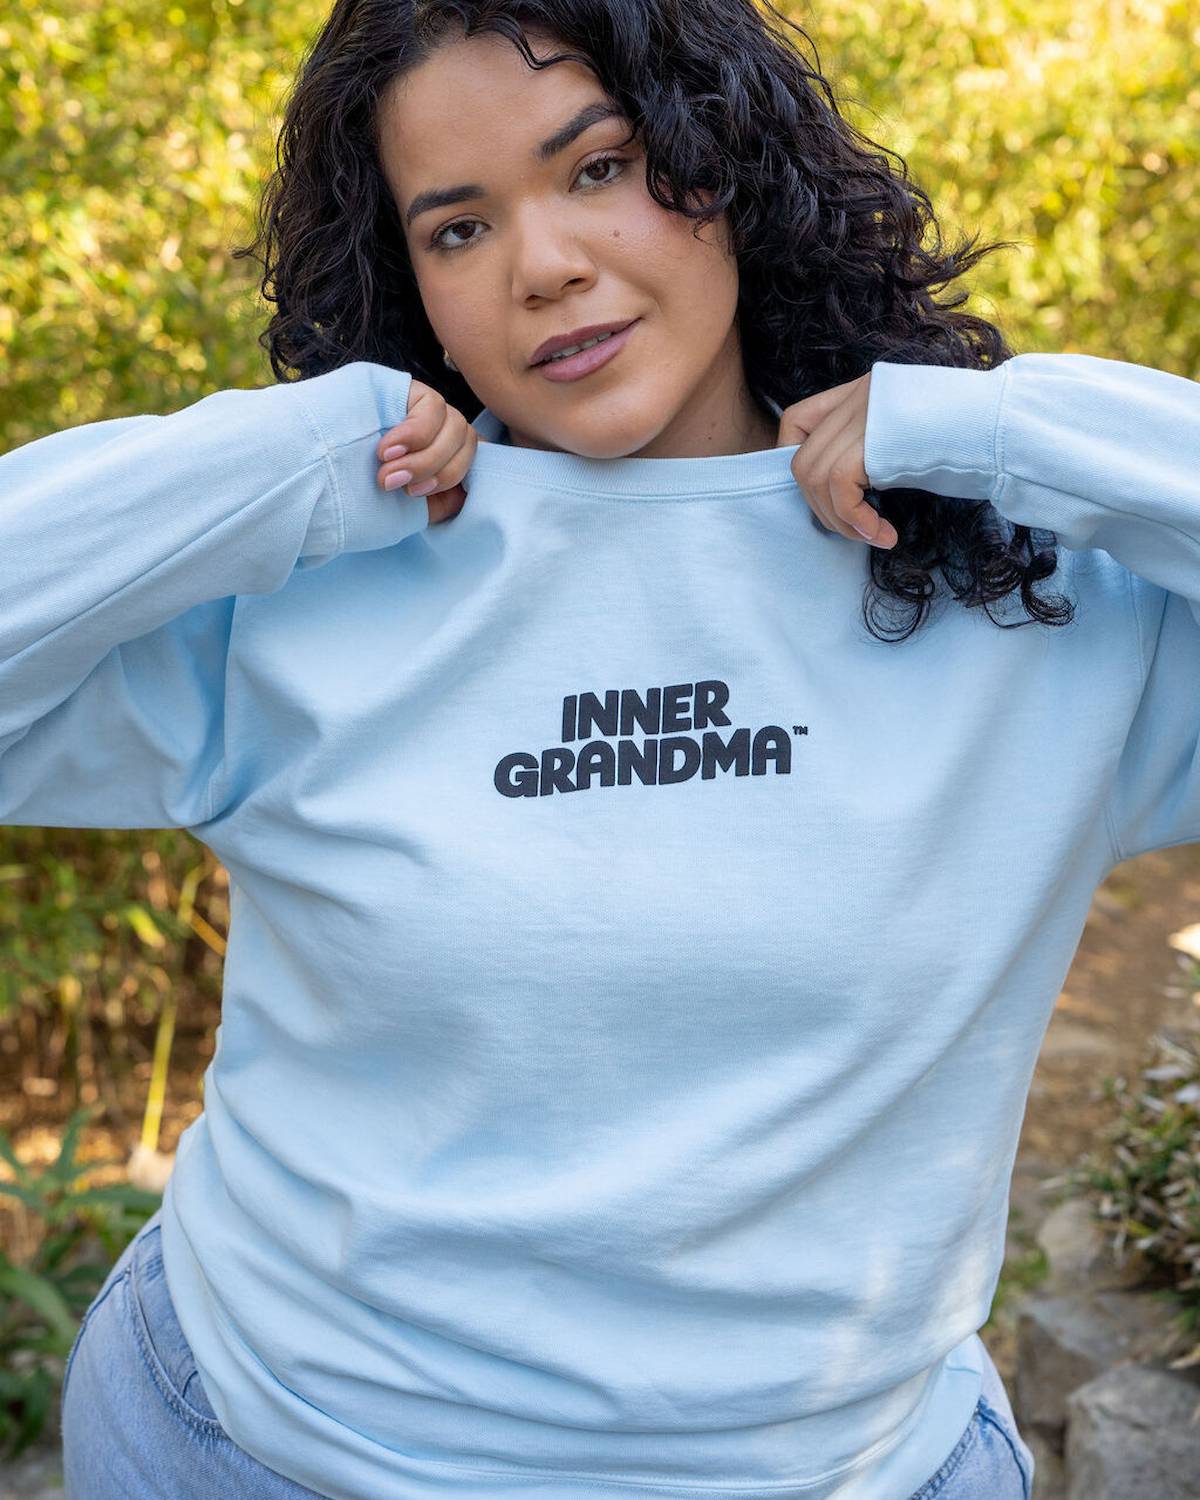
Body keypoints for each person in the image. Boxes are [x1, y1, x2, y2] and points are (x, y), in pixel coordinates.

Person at [2, 1, 1197, 1496]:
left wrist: (1005, 434)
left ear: (729, 161)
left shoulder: (1024, 594)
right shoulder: (313, 583)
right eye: (455, 228)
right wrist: (295, 453)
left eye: (599, 166)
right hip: (263, 1441)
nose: (542, 262)